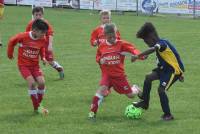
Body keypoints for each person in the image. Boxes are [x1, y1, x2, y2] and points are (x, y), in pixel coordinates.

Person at [88, 23, 144, 120]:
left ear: (116, 33)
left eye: (114, 36)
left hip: (119, 76)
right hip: (107, 75)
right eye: (110, 37)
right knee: (102, 90)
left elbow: (134, 50)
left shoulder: (121, 44)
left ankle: (136, 88)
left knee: (130, 95)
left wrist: (140, 55)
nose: (113, 39)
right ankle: (92, 113)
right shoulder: (102, 46)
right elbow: (98, 56)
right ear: (105, 36)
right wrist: (100, 60)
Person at [133, 22, 185, 121]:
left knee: (161, 90)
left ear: (151, 36)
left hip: (172, 71)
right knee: (148, 77)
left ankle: (168, 115)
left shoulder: (161, 44)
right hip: (164, 69)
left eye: (146, 41)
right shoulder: (161, 43)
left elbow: (153, 49)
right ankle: (145, 102)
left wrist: (137, 56)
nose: (146, 43)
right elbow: (174, 55)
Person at [7, 19, 49, 115]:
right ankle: (37, 107)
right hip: (23, 65)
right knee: (32, 83)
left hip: (35, 65)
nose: (44, 35)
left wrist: (43, 57)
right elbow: (11, 41)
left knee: (42, 83)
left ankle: (38, 104)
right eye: (42, 33)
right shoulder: (23, 36)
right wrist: (10, 54)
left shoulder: (43, 38)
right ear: (34, 30)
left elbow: (42, 47)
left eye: (44, 33)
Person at [26, 6, 64, 79]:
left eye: (40, 15)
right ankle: (35, 76)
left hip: (45, 45)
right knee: (32, 60)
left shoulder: (45, 23)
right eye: (36, 15)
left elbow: (50, 33)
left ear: (42, 15)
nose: (38, 16)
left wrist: (50, 45)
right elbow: (27, 34)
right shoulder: (30, 24)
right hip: (35, 46)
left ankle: (59, 69)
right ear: (33, 15)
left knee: (50, 61)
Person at [90, 10, 121, 96]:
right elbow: (92, 40)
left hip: (112, 55)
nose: (106, 19)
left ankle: (106, 88)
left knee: (109, 73)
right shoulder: (96, 30)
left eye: (107, 18)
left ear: (110, 19)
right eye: (104, 18)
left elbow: (119, 39)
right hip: (101, 55)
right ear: (100, 19)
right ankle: (107, 88)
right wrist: (94, 42)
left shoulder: (114, 29)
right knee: (105, 73)